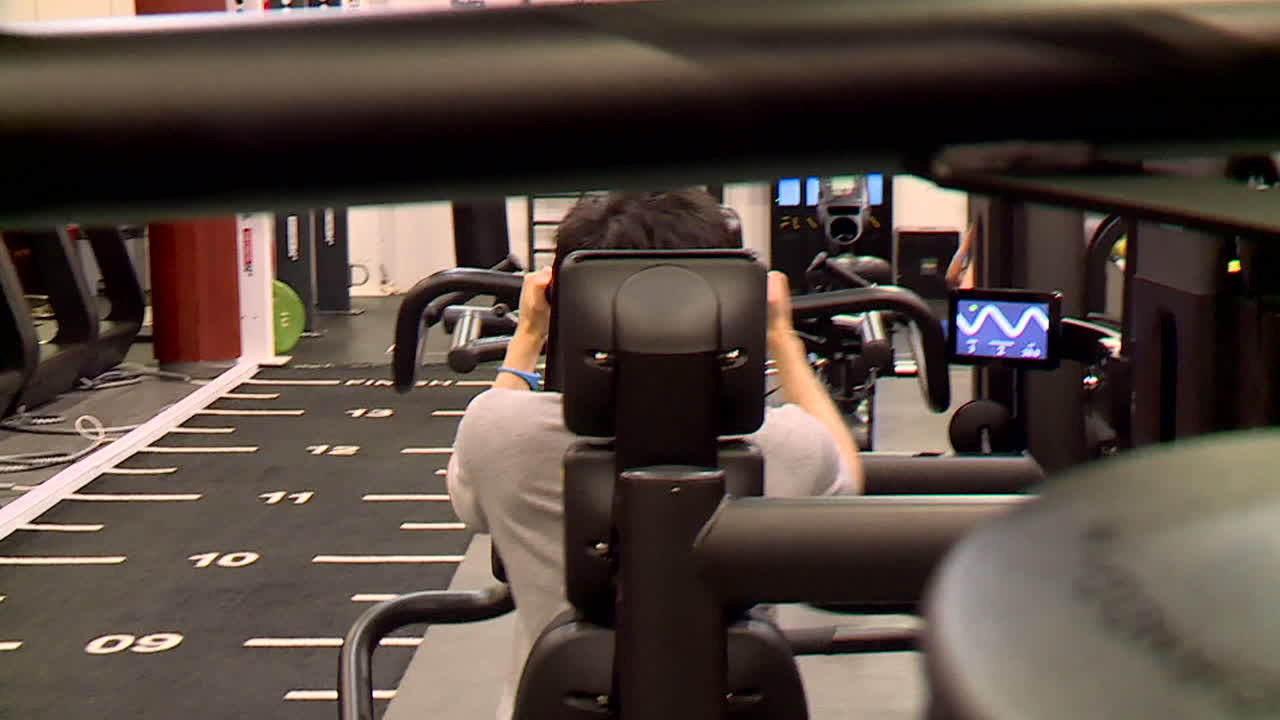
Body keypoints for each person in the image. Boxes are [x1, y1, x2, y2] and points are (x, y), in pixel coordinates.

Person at [445, 190, 863, 719]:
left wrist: (528, 335)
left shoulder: (498, 431)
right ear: (733, 297)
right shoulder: (786, 443)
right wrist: (781, 338)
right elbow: (847, 478)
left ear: (562, 298)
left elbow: (469, 502)